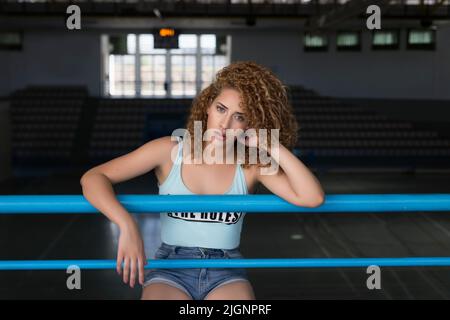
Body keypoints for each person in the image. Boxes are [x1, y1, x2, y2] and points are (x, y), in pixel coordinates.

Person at [80, 61, 325, 300]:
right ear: (208, 106)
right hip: (171, 266)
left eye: (240, 117)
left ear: (251, 124)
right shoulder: (168, 151)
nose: (225, 124)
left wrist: (269, 143)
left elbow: (312, 197)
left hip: (226, 269)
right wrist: (127, 225)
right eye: (221, 109)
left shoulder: (252, 165)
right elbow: (93, 177)